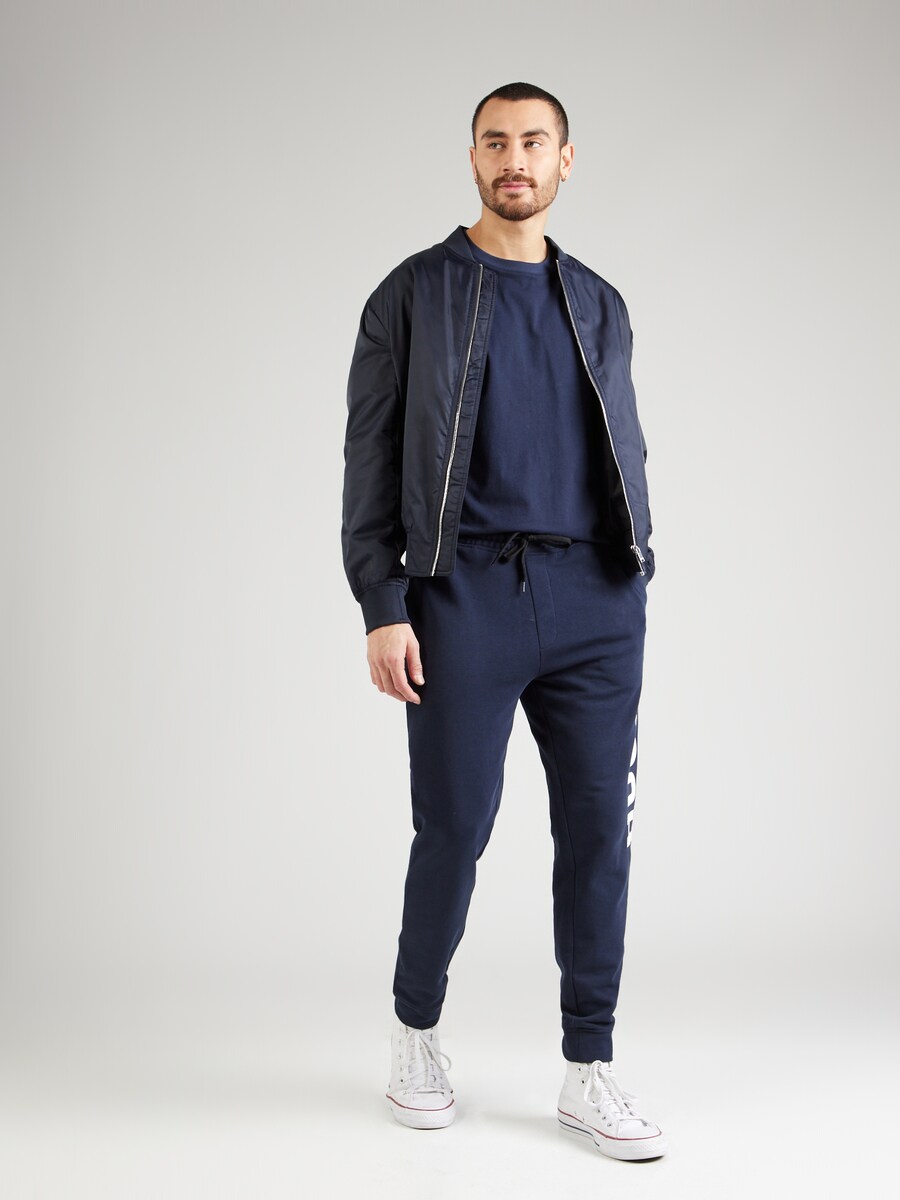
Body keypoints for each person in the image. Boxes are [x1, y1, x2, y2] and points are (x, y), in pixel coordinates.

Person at [341, 81, 667, 1162]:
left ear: (566, 160)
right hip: (462, 596)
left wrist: (638, 568)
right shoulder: (411, 294)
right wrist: (383, 604)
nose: (513, 159)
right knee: (454, 828)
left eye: (534, 142)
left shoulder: (600, 302)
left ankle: (590, 1067)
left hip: (595, 601)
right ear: (472, 158)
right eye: (495, 142)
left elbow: (623, 443)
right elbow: (369, 463)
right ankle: (415, 1034)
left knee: (600, 833)